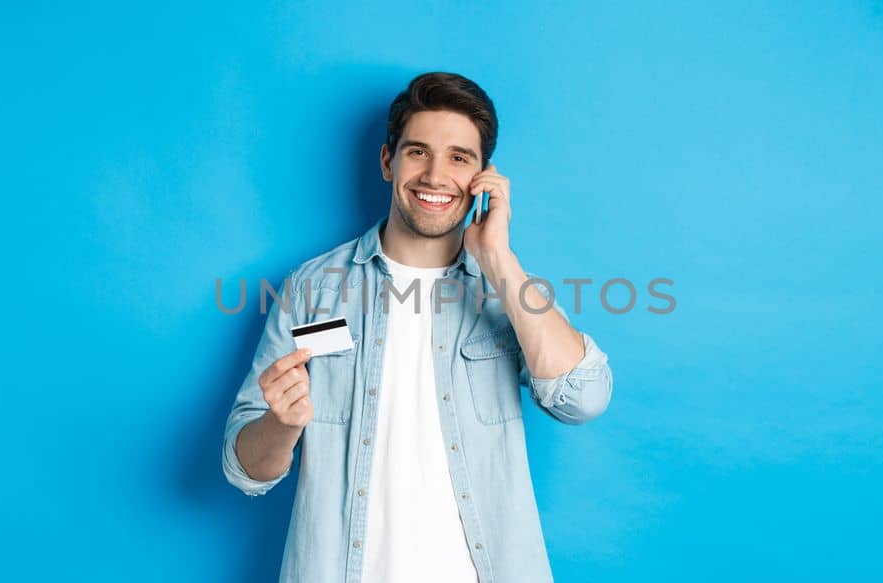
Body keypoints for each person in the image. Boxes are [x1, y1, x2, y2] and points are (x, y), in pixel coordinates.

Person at [221, 71, 614, 582]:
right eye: (417, 152)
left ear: (483, 177)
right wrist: (283, 424)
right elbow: (243, 470)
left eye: (459, 157)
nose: (434, 176)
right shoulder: (311, 289)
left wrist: (498, 258)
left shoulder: (509, 290)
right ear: (388, 162)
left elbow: (584, 399)